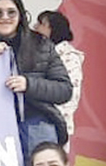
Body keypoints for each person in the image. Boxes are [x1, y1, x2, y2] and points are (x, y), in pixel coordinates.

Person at [0, 0, 72, 163]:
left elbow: (64, 90)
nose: (5, 17)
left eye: (11, 12)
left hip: (36, 121)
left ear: (20, 15)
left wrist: (29, 84)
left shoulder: (41, 44)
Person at [36, 10, 84, 141]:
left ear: (54, 29)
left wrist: (50, 116)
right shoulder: (38, 52)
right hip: (35, 123)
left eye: (41, 24)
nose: (35, 27)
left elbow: (71, 96)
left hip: (56, 125)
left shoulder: (69, 57)